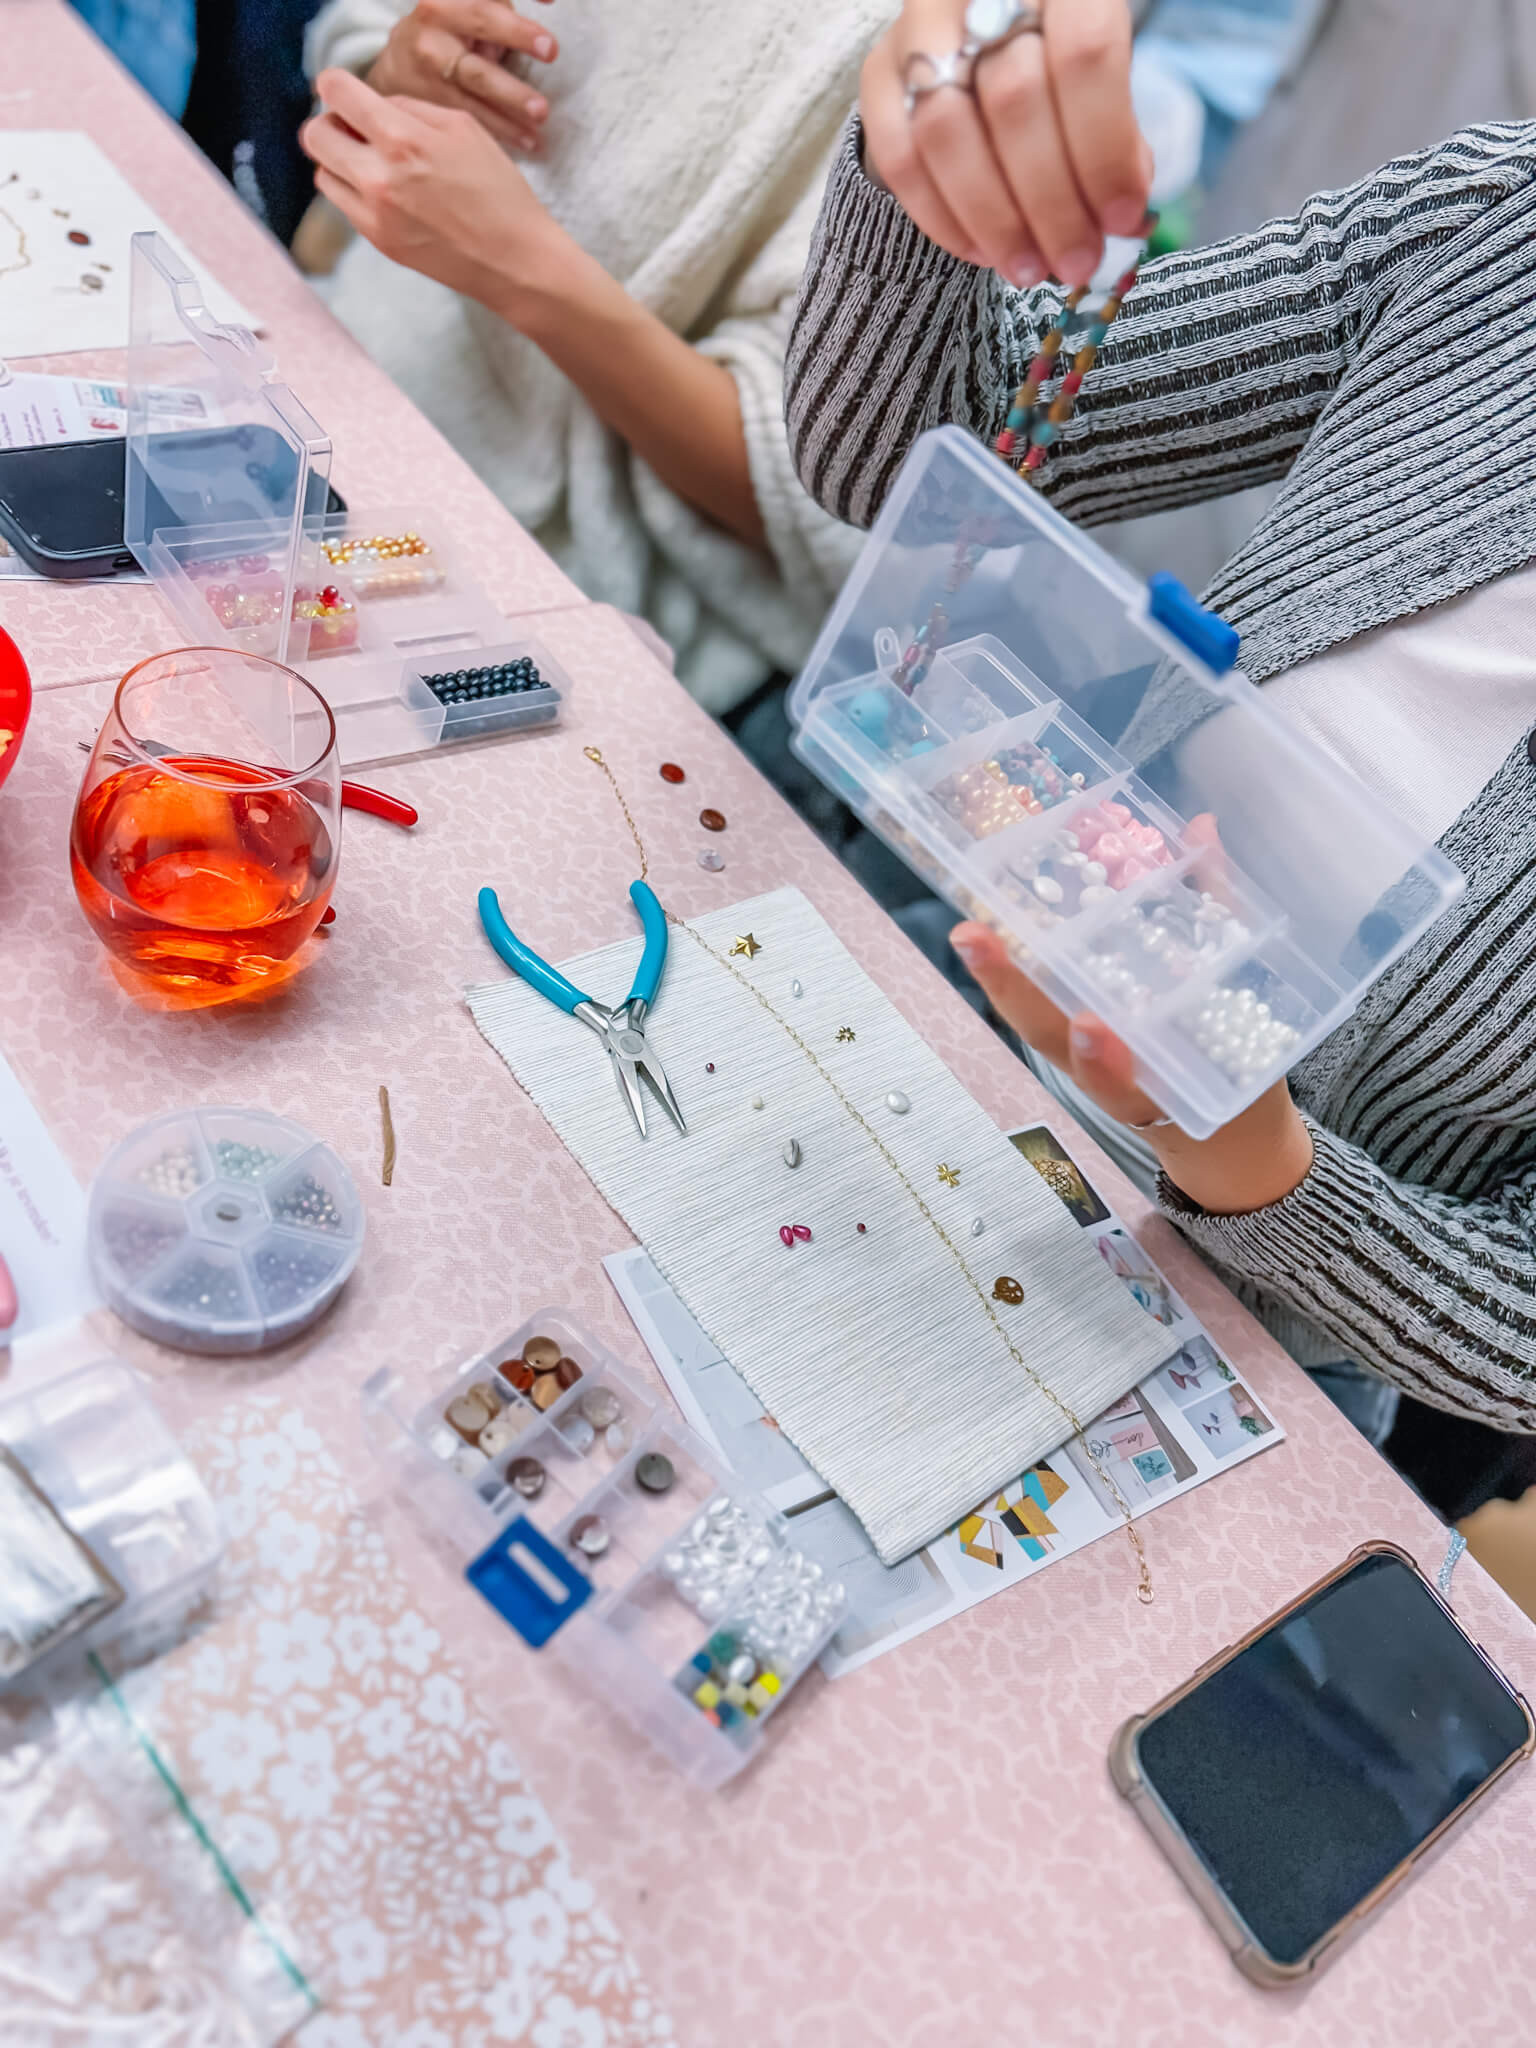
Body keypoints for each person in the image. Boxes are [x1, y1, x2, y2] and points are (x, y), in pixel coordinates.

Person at [783, 0, 1536, 1440]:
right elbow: (924, 443)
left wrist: (1258, 1161)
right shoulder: (1503, 227)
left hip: (1242, 1355)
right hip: (947, 1031)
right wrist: (930, 168)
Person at [298, 0, 889, 713]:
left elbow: (833, 500)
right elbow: (355, 30)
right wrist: (397, 74)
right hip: (327, 372)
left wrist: (526, 272)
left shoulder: (959, 53)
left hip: (568, 598)